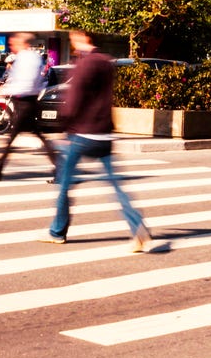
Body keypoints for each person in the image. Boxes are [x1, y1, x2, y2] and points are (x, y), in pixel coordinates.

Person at [41, 28, 162, 252]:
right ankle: (137, 228)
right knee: (116, 187)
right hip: (104, 133)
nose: (74, 44)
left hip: (81, 134)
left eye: (75, 39)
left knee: (65, 184)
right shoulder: (106, 62)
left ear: (85, 38)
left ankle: (57, 232)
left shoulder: (84, 64)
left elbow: (74, 99)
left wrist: (64, 127)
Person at [0, 33, 57, 181]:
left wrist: (9, 90)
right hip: (25, 102)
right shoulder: (29, 57)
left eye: (14, 42)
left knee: (11, 139)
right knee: (37, 136)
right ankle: (60, 167)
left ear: (22, 43)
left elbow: (27, 82)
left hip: (25, 102)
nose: (12, 45)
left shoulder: (27, 58)